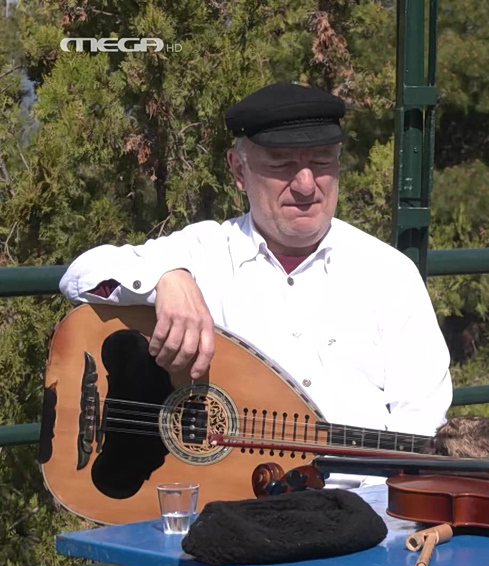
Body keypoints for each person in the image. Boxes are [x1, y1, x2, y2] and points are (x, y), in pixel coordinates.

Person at [59, 82, 453, 488]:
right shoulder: (204, 253)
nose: (305, 184)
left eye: (321, 162)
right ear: (238, 170)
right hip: (230, 515)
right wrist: (168, 279)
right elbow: (80, 275)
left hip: (367, 513)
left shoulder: (389, 274)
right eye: (281, 164)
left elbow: (421, 424)